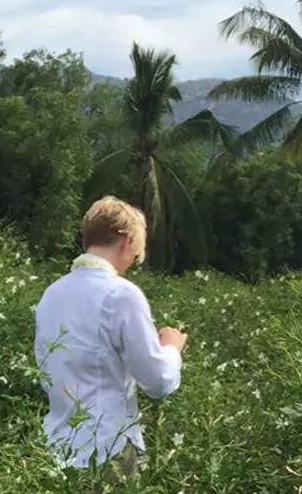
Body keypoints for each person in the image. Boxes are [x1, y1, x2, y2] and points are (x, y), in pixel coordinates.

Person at [33, 196, 187, 475]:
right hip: (108, 450)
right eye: (137, 255)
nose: (133, 262)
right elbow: (158, 381)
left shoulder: (51, 294)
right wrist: (171, 349)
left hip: (57, 447)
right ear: (127, 241)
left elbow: (47, 371)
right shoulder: (122, 294)